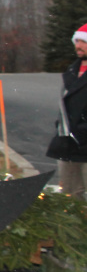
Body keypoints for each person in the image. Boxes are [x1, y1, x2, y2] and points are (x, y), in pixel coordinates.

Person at [45, 23, 87, 200]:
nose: (78, 46)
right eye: (76, 41)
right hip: (69, 142)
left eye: (83, 42)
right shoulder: (72, 71)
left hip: (84, 139)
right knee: (70, 195)